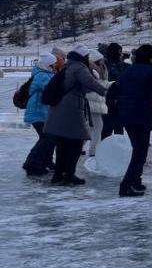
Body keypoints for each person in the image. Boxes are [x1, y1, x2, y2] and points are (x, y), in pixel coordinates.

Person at [113, 43, 152, 197]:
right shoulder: (150, 70)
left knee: (138, 149)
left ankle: (135, 181)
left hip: (126, 115)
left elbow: (116, 89)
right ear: (150, 58)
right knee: (140, 152)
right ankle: (126, 185)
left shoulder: (128, 70)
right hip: (142, 115)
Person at [43, 45, 108, 186]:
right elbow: (90, 83)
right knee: (77, 141)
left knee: (63, 143)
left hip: (59, 108)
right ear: (83, 57)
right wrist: (106, 92)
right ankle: (69, 175)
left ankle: (59, 175)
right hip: (70, 109)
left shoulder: (68, 66)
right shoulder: (79, 68)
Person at [22, 52, 56, 176]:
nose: (54, 67)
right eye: (52, 65)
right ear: (47, 64)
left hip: (43, 112)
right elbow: (51, 89)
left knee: (49, 138)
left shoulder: (47, 74)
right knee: (47, 137)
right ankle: (31, 164)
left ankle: (44, 161)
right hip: (37, 112)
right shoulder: (42, 75)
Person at [86, 57, 110, 158]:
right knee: (97, 126)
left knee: (89, 128)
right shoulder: (93, 72)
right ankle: (93, 151)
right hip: (92, 102)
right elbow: (95, 87)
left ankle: (83, 147)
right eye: (101, 60)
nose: (103, 62)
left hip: (96, 102)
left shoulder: (100, 71)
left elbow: (102, 84)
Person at [100, 42, 126, 138]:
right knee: (111, 126)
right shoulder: (108, 64)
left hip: (116, 98)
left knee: (114, 126)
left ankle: (112, 146)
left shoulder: (116, 63)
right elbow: (116, 78)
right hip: (110, 97)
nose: (121, 53)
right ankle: (107, 147)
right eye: (119, 51)